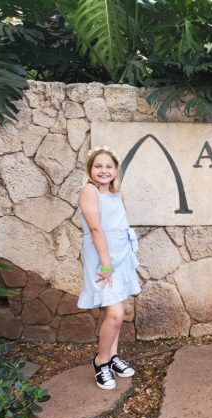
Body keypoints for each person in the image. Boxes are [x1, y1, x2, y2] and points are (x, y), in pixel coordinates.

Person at [77, 146, 141, 390]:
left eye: (108, 166)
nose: (103, 170)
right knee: (115, 315)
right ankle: (100, 361)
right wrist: (105, 264)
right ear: (90, 169)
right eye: (98, 166)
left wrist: (121, 258)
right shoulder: (89, 191)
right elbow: (96, 229)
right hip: (103, 258)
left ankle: (113, 357)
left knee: (118, 310)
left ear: (115, 170)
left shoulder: (116, 193)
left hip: (121, 255)